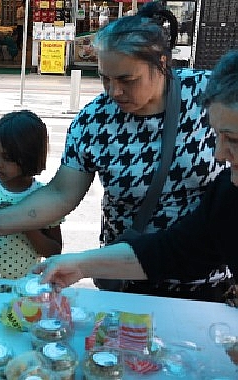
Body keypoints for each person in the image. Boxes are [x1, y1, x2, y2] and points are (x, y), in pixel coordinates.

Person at [0, 2, 227, 301]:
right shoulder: (95, 119)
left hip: (206, 277)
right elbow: (61, 194)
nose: (114, 92)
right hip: (124, 275)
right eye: (105, 78)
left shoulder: (208, 96)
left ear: (163, 64)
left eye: (127, 80)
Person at [34, 50, 238, 299]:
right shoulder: (227, 195)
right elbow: (177, 250)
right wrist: (80, 264)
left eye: (233, 140)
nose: (219, 155)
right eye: (217, 136)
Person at [0, 110, 62, 279]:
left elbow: (54, 251)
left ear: (29, 156)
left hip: (25, 288)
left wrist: (23, 223)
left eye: (7, 157)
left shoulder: (44, 198)